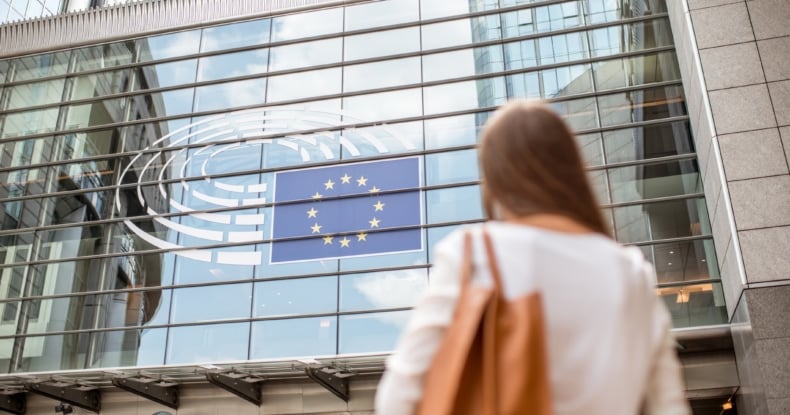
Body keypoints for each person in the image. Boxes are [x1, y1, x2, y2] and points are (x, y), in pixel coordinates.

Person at [375, 100, 690, 415]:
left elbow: (399, 395)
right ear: (571, 170)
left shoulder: (474, 253)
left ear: (496, 180)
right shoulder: (631, 271)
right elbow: (669, 405)